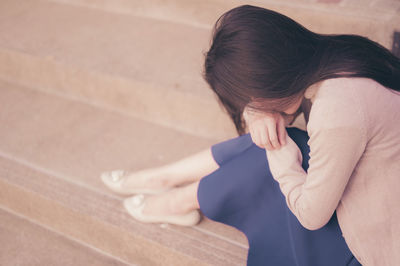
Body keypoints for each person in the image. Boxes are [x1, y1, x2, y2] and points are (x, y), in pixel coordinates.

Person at [101, 5, 400, 266]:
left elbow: (311, 216)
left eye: (249, 101)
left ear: (269, 84)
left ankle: (176, 200)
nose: (247, 109)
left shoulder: (338, 111)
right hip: (378, 199)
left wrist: (278, 153)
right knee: (276, 137)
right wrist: (262, 114)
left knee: (274, 148)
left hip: (373, 247)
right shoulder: (337, 56)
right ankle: (165, 180)